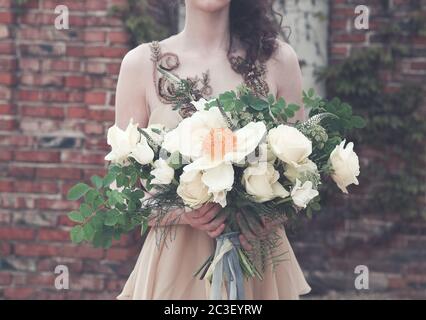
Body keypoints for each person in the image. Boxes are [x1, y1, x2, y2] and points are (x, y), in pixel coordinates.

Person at [115, 0, 311, 299]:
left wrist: (269, 212)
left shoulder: (278, 60)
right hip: (175, 271)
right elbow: (121, 195)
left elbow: (303, 179)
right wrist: (182, 213)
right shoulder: (142, 64)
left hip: (257, 264)